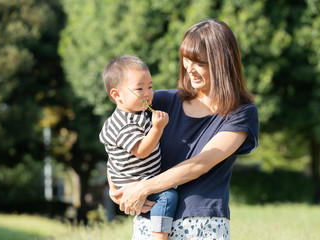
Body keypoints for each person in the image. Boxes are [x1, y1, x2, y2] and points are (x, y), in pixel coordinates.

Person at [110, 19, 259, 239]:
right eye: (186, 60)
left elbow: (200, 164)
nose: (189, 68)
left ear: (222, 62)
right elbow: (117, 138)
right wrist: (116, 186)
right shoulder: (161, 101)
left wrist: (143, 188)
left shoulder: (241, 113)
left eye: (199, 62)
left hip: (203, 224)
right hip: (151, 223)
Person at [99, 55, 178, 240]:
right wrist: (158, 128)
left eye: (150, 87)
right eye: (139, 89)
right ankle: (159, 236)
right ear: (116, 95)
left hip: (138, 176)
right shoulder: (122, 124)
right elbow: (142, 151)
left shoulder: (138, 113)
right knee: (168, 196)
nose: (147, 93)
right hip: (130, 180)